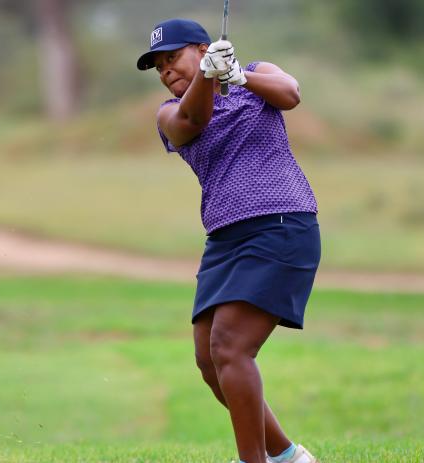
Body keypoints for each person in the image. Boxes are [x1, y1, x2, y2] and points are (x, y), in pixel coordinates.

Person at [137, 18, 321, 463]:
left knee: (230, 347)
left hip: (279, 224)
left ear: (202, 49)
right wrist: (205, 76)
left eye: (173, 58)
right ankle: (288, 457)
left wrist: (239, 75)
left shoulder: (255, 75)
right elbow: (192, 120)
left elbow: (290, 94)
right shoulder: (168, 113)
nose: (166, 72)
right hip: (223, 239)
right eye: (159, 67)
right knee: (209, 360)